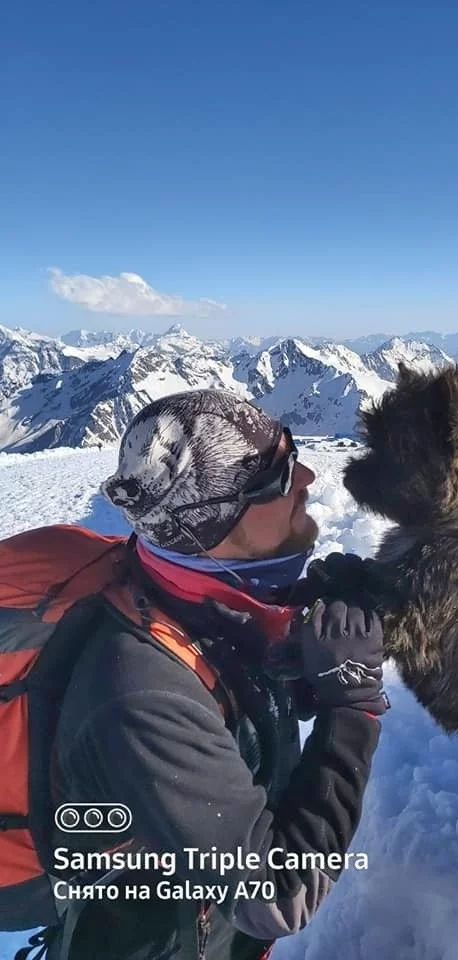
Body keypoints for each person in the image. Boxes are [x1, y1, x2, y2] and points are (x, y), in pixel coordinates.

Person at [45, 389, 387, 960]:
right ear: (213, 524)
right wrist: (351, 708)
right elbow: (276, 897)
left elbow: (234, 703)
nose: (307, 477)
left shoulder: (185, 595)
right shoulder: (143, 699)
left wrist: (301, 632)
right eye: (277, 476)